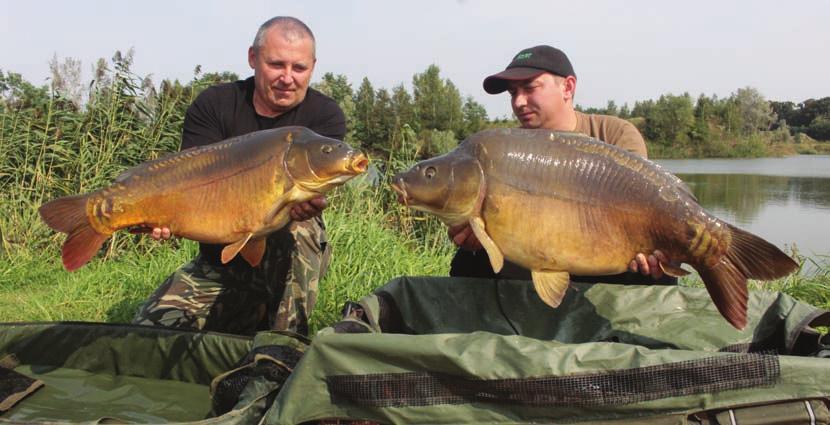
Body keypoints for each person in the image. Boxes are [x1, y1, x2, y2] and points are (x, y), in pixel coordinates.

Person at [131, 16, 346, 336]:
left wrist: (307, 205)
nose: (287, 78)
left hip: (286, 249)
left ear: (312, 67)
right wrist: (163, 213)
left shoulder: (323, 118)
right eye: (276, 64)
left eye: (299, 68)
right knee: (152, 332)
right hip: (220, 258)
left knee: (303, 222)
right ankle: (251, 311)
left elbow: (317, 193)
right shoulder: (214, 105)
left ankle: (286, 335)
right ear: (252, 58)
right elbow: (188, 184)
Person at [449, 45, 676, 285]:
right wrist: (472, 233)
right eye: (513, 93)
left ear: (568, 87)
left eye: (529, 88)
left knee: (659, 273)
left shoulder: (615, 134)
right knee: (468, 258)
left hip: (600, 263)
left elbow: (641, 209)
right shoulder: (503, 152)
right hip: (527, 269)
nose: (519, 102)